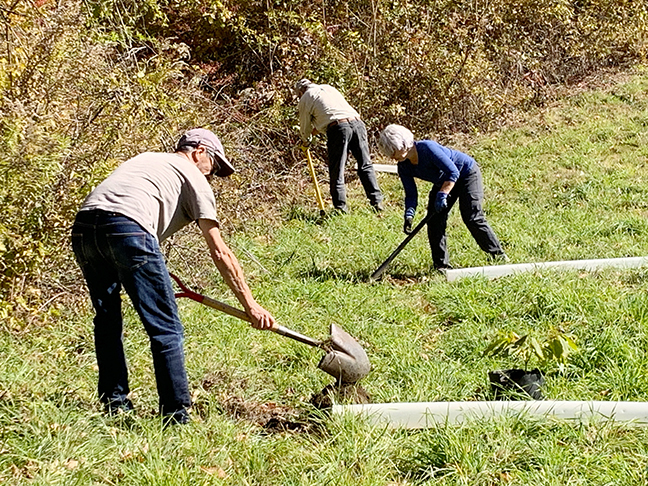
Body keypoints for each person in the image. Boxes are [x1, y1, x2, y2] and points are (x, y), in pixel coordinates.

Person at [71, 128, 276, 424]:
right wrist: (251, 304)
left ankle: (115, 404)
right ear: (198, 152)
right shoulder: (193, 176)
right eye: (214, 166)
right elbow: (220, 252)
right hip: (128, 228)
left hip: (84, 228)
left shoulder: (147, 159)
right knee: (166, 328)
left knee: (107, 319)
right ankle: (176, 414)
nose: (211, 176)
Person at [378, 124, 508, 271]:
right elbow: (411, 194)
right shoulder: (403, 166)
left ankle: (498, 255)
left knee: (471, 216)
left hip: (466, 174)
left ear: (403, 144)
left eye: (393, 150)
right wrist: (409, 214)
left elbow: (453, 172)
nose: (391, 156)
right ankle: (441, 265)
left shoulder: (427, 148)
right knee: (434, 222)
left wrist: (443, 194)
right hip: (444, 181)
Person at [295, 78, 383, 213]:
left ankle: (341, 209)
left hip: (338, 129)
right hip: (358, 124)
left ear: (300, 92)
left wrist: (305, 141)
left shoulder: (306, 98)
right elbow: (330, 114)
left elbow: (305, 126)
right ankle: (377, 202)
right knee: (365, 165)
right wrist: (315, 131)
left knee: (337, 169)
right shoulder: (328, 88)